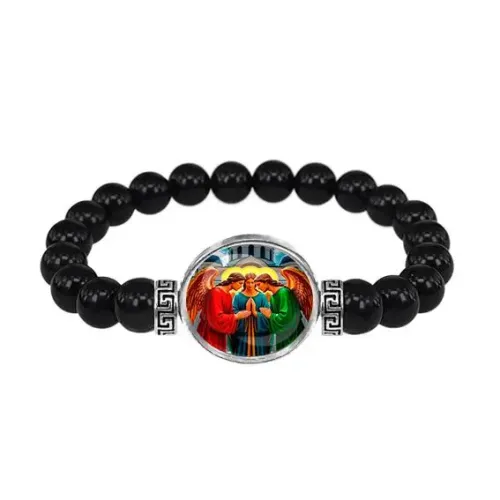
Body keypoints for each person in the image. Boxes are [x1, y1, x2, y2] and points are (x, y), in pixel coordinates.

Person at [197, 273, 251, 352]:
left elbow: (229, 313)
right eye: (240, 283)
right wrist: (236, 316)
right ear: (232, 282)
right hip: (210, 332)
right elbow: (216, 317)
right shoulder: (215, 292)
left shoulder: (228, 294)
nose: (241, 286)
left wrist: (240, 314)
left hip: (219, 332)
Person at [255, 273, 304, 351]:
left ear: (266, 282)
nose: (258, 287)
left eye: (258, 284)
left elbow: (287, 317)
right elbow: (273, 315)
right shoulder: (272, 297)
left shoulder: (284, 292)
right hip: (282, 335)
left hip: (292, 333)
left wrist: (270, 315)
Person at [231, 273, 271, 357]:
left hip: (259, 330)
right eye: (248, 282)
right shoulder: (238, 296)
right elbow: (233, 312)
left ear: (255, 283)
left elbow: (267, 314)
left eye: (252, 282)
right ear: (244, 283)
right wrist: (245, 312)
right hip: (242, 329)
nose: (250, 285)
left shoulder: (262, 296)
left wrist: (255, 313)